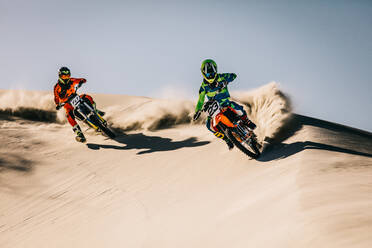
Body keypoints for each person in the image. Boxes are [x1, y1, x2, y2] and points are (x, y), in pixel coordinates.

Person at [193, 59, 256, 150]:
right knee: (209, 126)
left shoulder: (222, 77)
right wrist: (197, 111)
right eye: (208, 74)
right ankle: (227, 139)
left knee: (236, 107)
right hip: (214, 107)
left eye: (212, 73)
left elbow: (233, 76)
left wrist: (224, 82)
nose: (210, 76)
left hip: (225, 102)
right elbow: (200, 100)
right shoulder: (203, 87)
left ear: (216, 71)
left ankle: (246, 121)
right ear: (203, 73)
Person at [53, 67, 104, 142]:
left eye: (68, 76)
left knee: (87, 97)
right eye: (64, 76)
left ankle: (95, 110)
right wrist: (57, 104)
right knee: (69, 116)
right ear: (60, 76)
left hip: (76, 97)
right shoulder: (57, 87)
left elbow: (80, 79)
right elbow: (56, 97)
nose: (66, 78)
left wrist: (82, 81)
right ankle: (79, 134)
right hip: (67, 104)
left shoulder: (71, 80)